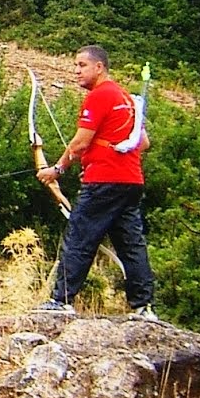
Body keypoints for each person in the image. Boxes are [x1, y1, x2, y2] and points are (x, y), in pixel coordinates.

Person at [35, 45, 156, 316]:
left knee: (79, 237)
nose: (76, 71)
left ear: (99, 67)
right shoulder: (127, 98)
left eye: (82, 65)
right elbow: (143, 143)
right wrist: (101, 157)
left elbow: (79, 143)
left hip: (104, 180)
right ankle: (144, 307)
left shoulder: (100, 96)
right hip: (131, 179)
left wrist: (57, 169)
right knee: (131, 244)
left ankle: (61, 301)